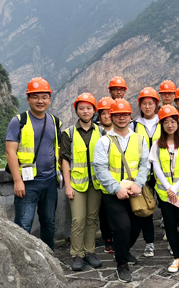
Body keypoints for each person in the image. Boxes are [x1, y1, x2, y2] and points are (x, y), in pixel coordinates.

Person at [93, 99, 149, 283]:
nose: (121, 118)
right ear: (111, 117)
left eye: (125, 114)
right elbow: (100, 168)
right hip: (113, 193)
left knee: (136, 227)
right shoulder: (104, 141)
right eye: (117, 115)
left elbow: (144, 164)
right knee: (122, 227)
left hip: (134, 191)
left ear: (130, 116)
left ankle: (122, 250)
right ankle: (122, 264)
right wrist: (116, 188)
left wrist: (139, 184)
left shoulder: (139, 139)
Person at [5, 77, 61, 251]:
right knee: (23, 224)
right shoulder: (19, 121)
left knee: (49, 222)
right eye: (35, 97)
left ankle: (49, 256)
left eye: (44, 97)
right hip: (27, 182)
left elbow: (57, 149)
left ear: (49, 99)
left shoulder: (54, 121)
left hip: (50, 181)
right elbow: (10, 151)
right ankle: (23, 259)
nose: (40, 101)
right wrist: (17, 181)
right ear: (28, 99)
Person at [150, 105, 179, 276]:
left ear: (178, 123)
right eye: (166, 122)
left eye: (173, 121)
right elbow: (156, 167)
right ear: (161, 124)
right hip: (165, 194)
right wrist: (169, 188)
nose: (170, 125)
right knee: (170, 225)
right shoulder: (156, 145)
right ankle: (176, 257)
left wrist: (175, 187)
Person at [60, 93, 103, 271]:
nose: (85, 111)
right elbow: (65, 160)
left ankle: (89, 252)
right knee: (78, 219)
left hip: (96, 184)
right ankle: (77, 254)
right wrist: (67, 186)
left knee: (92, 219)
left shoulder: (101, 132)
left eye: (88, 108)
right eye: (81, 108)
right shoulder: (68, 133)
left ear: (94, 111)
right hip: (77, 184)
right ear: (76, 111)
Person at [134, 87, 162, 257]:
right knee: (146, 209)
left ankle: (172, 240)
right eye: (144, 104)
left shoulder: (163, 122)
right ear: (140, 106)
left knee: (167, 208)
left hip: (163, 172)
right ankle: (149, 242)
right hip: (143, 173)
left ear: (156, 104)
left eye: (150, 103)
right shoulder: (134, 125)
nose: (147, 107)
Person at [95, 96, 115, 253]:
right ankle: (107, 239)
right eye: (103, 113)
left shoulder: (121, 130)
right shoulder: (96, 132)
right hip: (101, 179)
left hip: (118, 177)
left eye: (109, 112)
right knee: (104, 211)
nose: (107, 116)